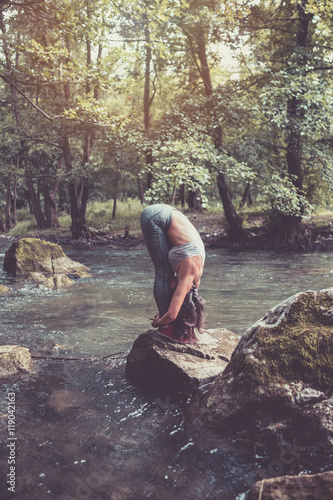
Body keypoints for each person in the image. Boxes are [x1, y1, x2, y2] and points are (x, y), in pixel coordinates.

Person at [140, 204, 206, 344]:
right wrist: (161, 321)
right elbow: (172, 315)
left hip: (169, 211)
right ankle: (168, 330)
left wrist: (164, 313)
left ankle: (168, 325)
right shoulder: (187, 280)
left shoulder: (195, 283)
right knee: (163, 273)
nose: (170, 287)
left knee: (167, 275)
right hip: (155, 218)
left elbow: (177, 310)